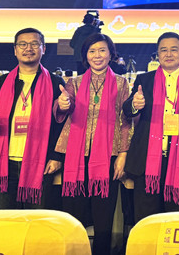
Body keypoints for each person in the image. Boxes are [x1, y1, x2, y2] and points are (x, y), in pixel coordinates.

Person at [0, 28, 66, 209]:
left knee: (36, 221)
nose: (28, 48)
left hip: (41, 163)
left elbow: (63, 127)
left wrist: (57, 157)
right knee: (5, 220)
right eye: (23, 44)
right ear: (15, 50)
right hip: (5, 164)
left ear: (43, 48)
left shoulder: (56, 84)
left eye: (34, 44)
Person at [55, 33, 131, 255]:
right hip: (76, 156)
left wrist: (123, 154)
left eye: (102, 50)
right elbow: (64, 108)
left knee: (103, 216)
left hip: (109, 155)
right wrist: (62, 104)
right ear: (85, 56)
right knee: (73, 214)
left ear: (111, 54)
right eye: (92, 51)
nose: (97, 56)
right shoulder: (74, 83)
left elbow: (126, 121)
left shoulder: (121, 83)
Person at [123, 32, 179, 222]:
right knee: (146, 220)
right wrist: (134, 104)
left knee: (176, 219)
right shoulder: (144, 80)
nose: (169, 54)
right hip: (146, 160)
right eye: (163, 50)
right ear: (158, 54)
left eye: (174, 49)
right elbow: (127, 110)